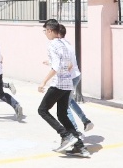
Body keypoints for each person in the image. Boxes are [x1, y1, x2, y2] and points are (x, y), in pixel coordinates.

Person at [37, 19, 90, 158]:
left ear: (49, 30)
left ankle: (66, 135)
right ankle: (79, 146)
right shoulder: (65, 44)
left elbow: (56, 67)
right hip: (68, 84)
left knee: (42, 110)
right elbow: (69, 65)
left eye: (45, 31)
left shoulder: (52, 45)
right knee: (62, 114)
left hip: (58, 83)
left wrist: (43, 82)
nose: (45, 34)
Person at [57, 25, 94, 135]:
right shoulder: (67, 44)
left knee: (64, 105)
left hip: (70, 77)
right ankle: (86, 121)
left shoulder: (62, 46)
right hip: (75, 76)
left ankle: (75, 131)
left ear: (58, 34)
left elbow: (68, 64)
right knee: (70, 101)